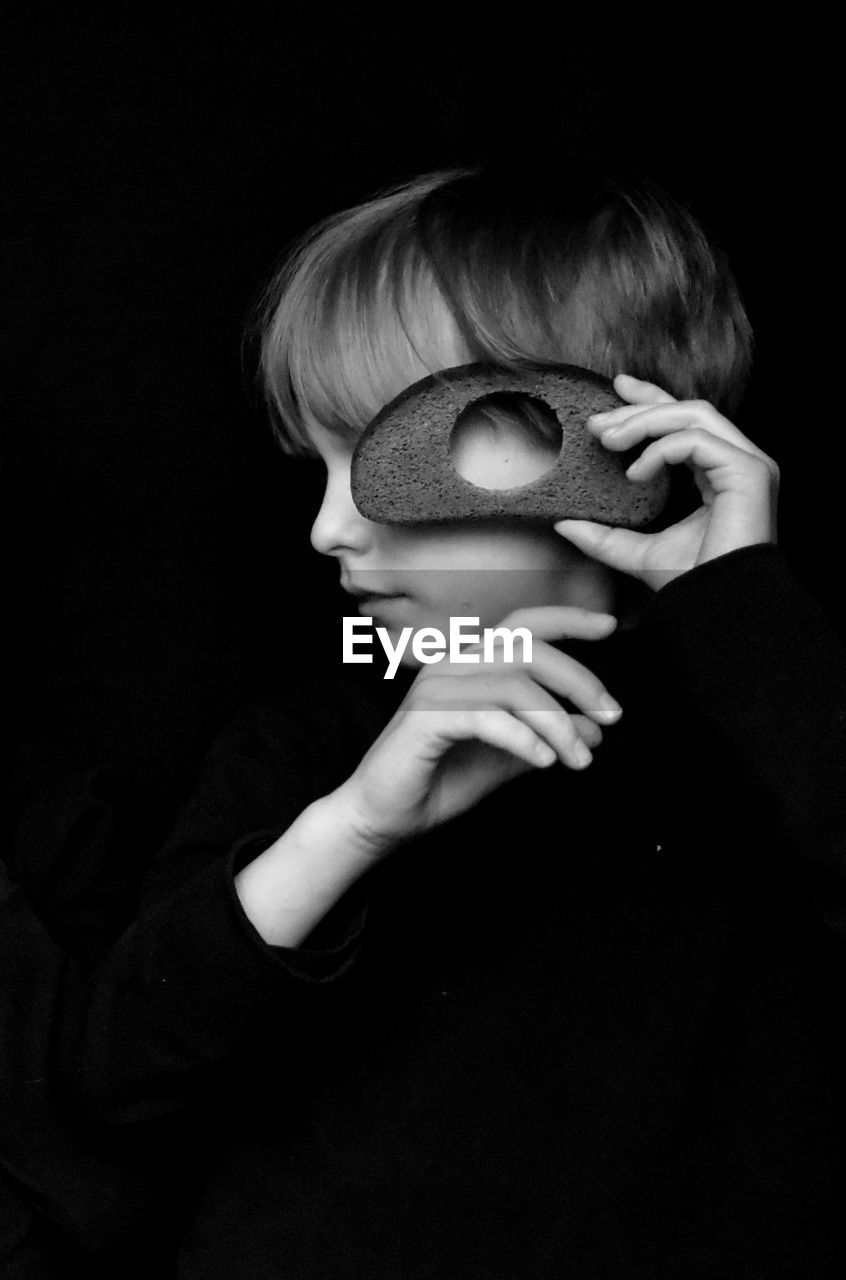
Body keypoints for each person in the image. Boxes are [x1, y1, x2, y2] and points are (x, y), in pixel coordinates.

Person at [64, 166, 845, 1277]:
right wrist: (350, 829)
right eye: (317, 466)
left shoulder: (769, 734)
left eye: (388, 450)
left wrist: (746, 610)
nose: (329, 527)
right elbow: (114, 1078)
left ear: (620, 442)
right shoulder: (308, 750)